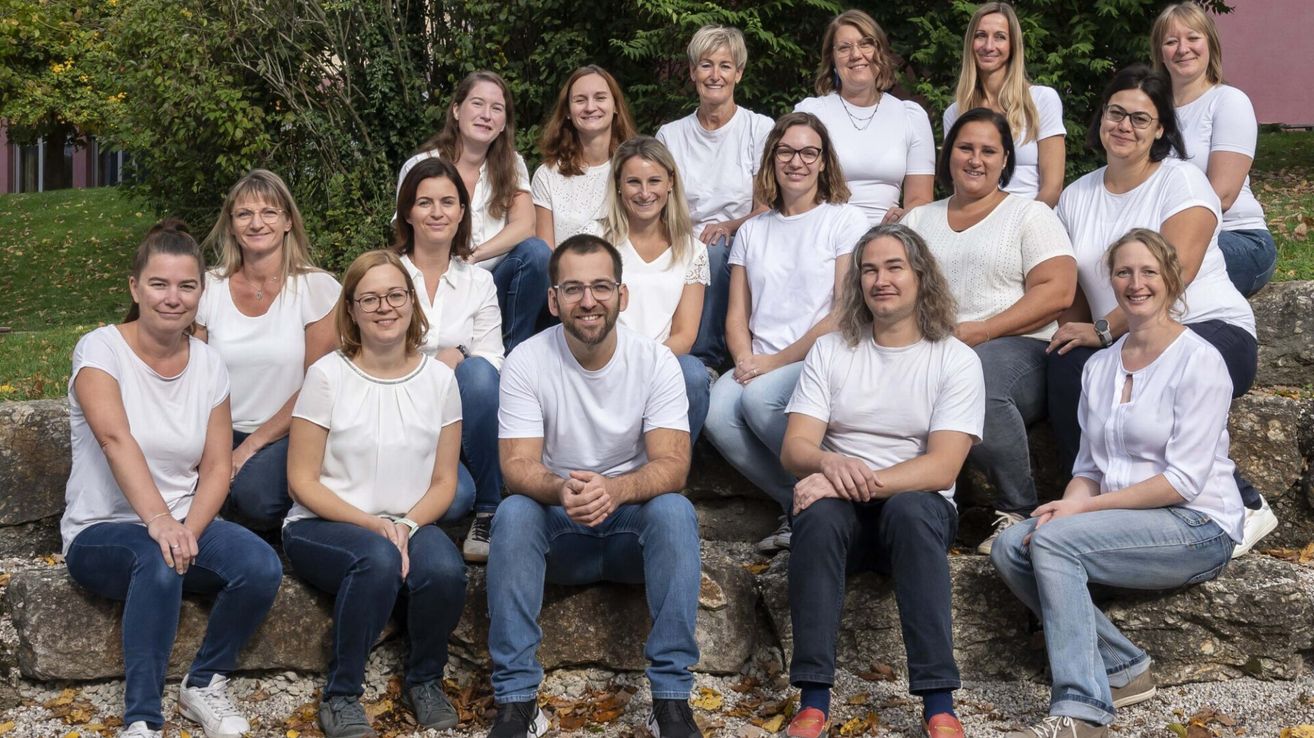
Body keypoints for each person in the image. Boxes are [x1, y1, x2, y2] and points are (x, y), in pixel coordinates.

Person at [993, 229, 1242, 738]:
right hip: (1123, 519)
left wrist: (1081, 513)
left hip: (1197, 524)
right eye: (1124, 272)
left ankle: (1083, 711)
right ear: (1111, 282)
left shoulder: (1199, 361)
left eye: (1149, 271)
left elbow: (1182, 481)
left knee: (1055, 542)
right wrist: (1067, 506)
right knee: (1011, 545)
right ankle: (1123, 667)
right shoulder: (1101, 366)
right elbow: (1088, 468)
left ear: (1170, 279)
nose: (1136, 283)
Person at [63, 219, 282, 738]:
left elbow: (217, 466)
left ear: (200, 294)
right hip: (103, 529)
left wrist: (188, 528)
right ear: (135, 288)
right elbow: (116, 439)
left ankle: (203, 683)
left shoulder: (209, 364)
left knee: (260, 566)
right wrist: (160, 521)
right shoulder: (99, 350)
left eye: (186, 286)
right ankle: (142, 718)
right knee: (157, 561)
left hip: (183, 521)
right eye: (158, 284)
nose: (172, 297)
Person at [1046, 64, 1273, 556]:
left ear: (1161, 129)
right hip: (1126, 341)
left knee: (1155, 374)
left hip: (1210, 329)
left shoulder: (1183, 181)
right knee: (1067, 366)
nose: (1124, 126)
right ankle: (1084, 505)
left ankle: (1242, 498)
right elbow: (1071, 286)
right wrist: (1080, 329)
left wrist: (1103, 330)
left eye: (1140, 118)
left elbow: (1176, 274)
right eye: (1116, 113)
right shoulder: (1076, 196)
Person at [487, 235, 702, 738]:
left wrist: (617, 490)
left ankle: (671, 702)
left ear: (622, 295)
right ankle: (517, 703)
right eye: (574, 289)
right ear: (553, 299)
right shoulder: (526, 360)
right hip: (561, 529)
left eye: (602, 287)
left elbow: (674, 465)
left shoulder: (655, 361)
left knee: (674, 511)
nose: (589, 301)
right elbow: (516, 466)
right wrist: (564, 489)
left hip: (629, 534)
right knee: (514, 513)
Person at [780, 224, 984, 738]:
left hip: (916, 516)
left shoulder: (955, 359)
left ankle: (939, 704)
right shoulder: (831, 350)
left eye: (894, 267)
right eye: (869, 270)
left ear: (921, 276)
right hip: (842, 521)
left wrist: (845, 479)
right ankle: (813, 699)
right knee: (818, 516)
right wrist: (828, 465)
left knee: (911, 508)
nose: (880, 280)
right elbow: (796, 448)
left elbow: (942, 468)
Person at [284, 250, 469, 738]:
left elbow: (444, 483)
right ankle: (342, 695)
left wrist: (405, 525)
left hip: (408, 520)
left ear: (412, 302)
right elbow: (302, 481)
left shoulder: (440, 380)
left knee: (446, 571)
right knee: (377, 559)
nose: (384, 307)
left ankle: (424, 680)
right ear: (351, 309)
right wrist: (375, 527)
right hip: (325, 524)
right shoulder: (327, 375)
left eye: (395, 295)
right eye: (369, 299)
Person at [901, 108, 1076, 554]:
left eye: (988, 151)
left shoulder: (1029, 215)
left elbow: (1057, 290)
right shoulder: (918, 221)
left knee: (976, 376)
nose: (975, 159)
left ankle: (1018, 509)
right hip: (933, 350)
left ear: (1005, 160)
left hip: (1018, 348)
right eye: (965, 148)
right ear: (948, 156)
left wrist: (985, 329)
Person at [704, 112, 869, 554]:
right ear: (772, 158)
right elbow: (736, 314)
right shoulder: (753, 231)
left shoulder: (844, 220)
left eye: (808, 153)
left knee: (759, 400)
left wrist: (772, 363)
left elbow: (843, 311)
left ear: (823, 161)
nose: (797, 162)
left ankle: (825, 496)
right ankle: (797, 502)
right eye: (786, 151)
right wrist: (743, 358)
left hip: (820, 356)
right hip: (760, 360)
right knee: (716, 413)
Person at [197, 169, 340, 530]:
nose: (256, 223)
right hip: (217, 429)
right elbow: (192, 377)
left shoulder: (317, 288)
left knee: (254, 498)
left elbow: (318, 387)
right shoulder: (207, 287)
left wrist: (249, 448)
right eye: (244, 214)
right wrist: (215, 449)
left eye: (269, 212)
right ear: (231, 225)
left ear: (288, 221)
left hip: (291, 431)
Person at [394, 156, 502, 562]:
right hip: (400, 413)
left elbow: (492, 358)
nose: (437, 212)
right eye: (425, 203)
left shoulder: (479, 281)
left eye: (447, 202)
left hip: (456, 416)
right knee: (455, 499)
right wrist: (431, 363)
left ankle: (489, 510)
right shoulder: (387, 273)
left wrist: (460, 356)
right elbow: (363, 352)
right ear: (408, 212)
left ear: (461, 212)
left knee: (479, 374)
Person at [396, 70, 550, 351]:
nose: (486, 115)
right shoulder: (422, 166)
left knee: (537, 254)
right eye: (477, 103)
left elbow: (525, 225)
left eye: (497, 108)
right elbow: (405, 233)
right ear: (456, 110)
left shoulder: (511, 164)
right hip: (440, 279)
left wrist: (475, 254)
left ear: (504, 124)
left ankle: (515, 355)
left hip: (496, 279)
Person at [656, 24, 774, 367]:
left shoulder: (758, 129)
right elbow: (660, 206)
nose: (715, 75)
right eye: (706, 65)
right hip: (681, 241)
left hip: (739, 241)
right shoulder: (670, 135)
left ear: (739, 73)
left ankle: (705, 361)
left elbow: (766, 207)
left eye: (725, 66)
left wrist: (727, 226)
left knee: (714, 250)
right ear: (693, 72)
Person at [1151, 2, 1277, 297]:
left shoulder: (1228, 101)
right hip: (1160, 238)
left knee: (1147, 267)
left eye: (1193, 38)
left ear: (1210, 44)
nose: (1183, 49)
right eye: (1171, 41)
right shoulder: (1150, 111)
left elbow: (1223, 195)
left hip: (1238, 238)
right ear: (1160, 53)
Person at [603, 136, 712, 440]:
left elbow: (685, 335)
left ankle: (674, 462)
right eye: (633, 182)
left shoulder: (692, 250)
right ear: (619, 185)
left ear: (670, 183)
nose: (645, 192)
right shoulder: (596, 239)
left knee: (693, 372)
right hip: (605, 359)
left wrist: (645, 365)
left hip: (662, 360)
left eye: (654, 181)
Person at [794, 9, 935, 225]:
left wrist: (903, 217)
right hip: (825, 231)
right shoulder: (812, 114)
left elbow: (920, 200)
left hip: (887, 234)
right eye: (844, 47)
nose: (856, 54)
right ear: (832, 59)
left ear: (880, 52)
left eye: (866, 44)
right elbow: (794, 189)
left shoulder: (910, 116)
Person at [944, 2, 1066, 206]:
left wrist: (1023, 222)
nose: (988, 46)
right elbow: (961, 188)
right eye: (980, 35)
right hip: (976, 219)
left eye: (999, 37)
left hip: (1032, 216)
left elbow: (1052, 187)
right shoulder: (955, 112)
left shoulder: (1041, 100)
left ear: (1012, 45)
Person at [532, 65, 639, 248]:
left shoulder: (635, 169)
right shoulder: (547, 175)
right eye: (580, 100)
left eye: (600, 98)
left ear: (615, 106)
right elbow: (544, 254)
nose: (590, 107)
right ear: (567, 111)